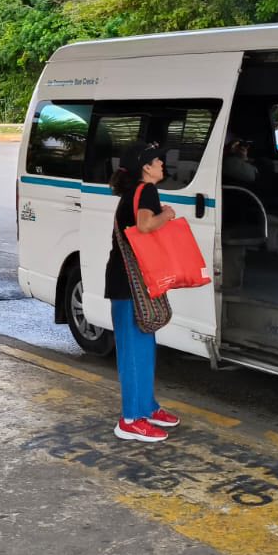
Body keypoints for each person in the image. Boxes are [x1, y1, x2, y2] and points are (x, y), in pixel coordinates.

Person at [105, 143, 181, 443]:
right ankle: (130, 420)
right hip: (128, 283)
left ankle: (147, 407)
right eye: (156, 160)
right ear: (145, 168)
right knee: (134, 351)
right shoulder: (145, 190)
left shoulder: (136, 191)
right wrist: (168, 214)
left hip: (131, 281)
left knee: (144, 345)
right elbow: (145, 225)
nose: (162, 162)